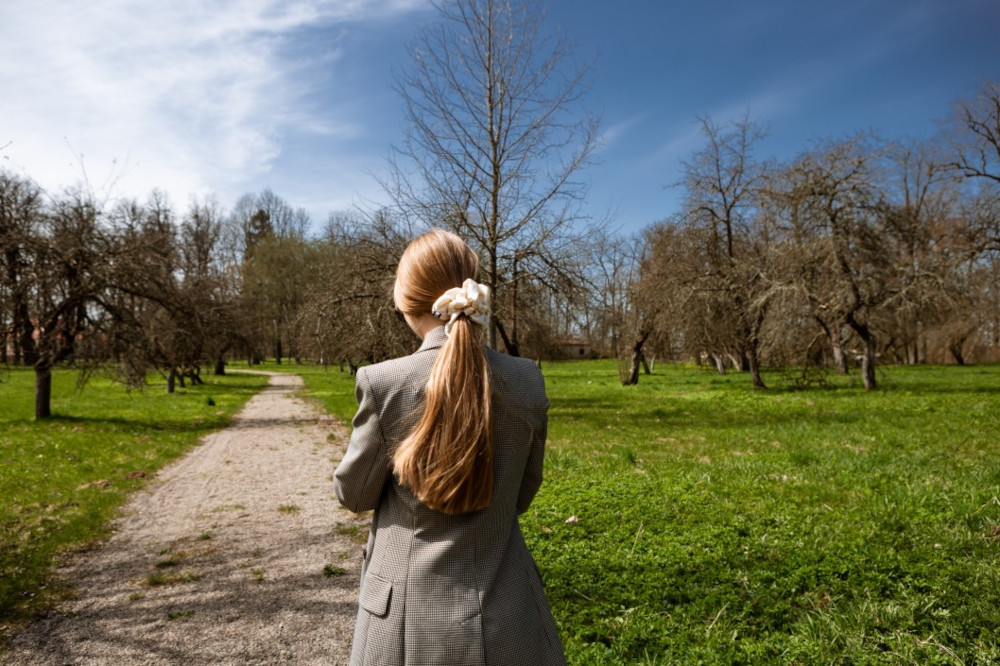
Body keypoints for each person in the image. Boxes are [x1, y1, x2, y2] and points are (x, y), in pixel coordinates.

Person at [334, 229, 566, 666]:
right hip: (507, 617)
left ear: (405, 301)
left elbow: (355, 494)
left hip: (403, 622)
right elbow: (522, 494)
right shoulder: (527, 378)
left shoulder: (383, 383)